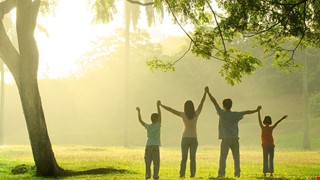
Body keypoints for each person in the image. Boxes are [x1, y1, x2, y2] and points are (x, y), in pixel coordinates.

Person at [205, 86, 261, 178]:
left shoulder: (222, 113)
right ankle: (237, 173)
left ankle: (221, 174)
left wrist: (208, 93)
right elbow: (246, 112)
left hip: (225, 139)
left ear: (223, 105)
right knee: (236, 157)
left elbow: (214, 102)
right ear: (231, 105)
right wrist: (256, 110)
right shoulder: (235, 115)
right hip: (235, 138)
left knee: (223, 157)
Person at [159, 88, 206, 178]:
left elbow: (171, 110)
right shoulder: (196, 114)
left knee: (184, 158)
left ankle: (182, 175)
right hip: (194, 138)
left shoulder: (183, 115)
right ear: (193, 107)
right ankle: (192, 174)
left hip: (185, 138)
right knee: (193, 158)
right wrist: (205, 93)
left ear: (185, 107)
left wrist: (161, 105)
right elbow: (201, 103)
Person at [258, 109, 287, 177]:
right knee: (271, 159)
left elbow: (259, 120)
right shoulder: (271, 128)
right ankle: (271, 173)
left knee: (265, 158)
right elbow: (277, 122)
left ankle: (265, 173)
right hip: (271, 145)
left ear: (264, 121)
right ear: (270, 121)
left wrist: (258, 112)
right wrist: (282, 118)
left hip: (265, 145)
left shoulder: (262, 128)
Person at [136, 100, 162, 180]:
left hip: (148, 146)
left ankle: (147, 175)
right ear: (157, 119)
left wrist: (139, 111)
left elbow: (140, 121)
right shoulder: (158, 125)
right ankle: (155, 176)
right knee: (156, 162)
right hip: (155, 147)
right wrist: (158, 106)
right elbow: (160, 115)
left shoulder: (148, 126)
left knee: (148, 163)